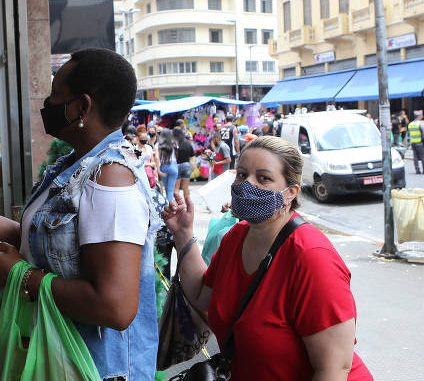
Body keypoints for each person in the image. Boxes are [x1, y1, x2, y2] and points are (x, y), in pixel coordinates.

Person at [0, 48, 162, 380]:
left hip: (97, 369)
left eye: (56, 96)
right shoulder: (75, 166)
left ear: (82, 106)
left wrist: (21, 276)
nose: (47, 105)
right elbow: (31, 238)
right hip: (61, 359)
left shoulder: (109, 177)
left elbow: (115, 306)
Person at [161, 136, 373, 380]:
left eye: (263, 178)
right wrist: (182, 234)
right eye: (242, 174)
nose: (246, 184)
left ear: (290, 193)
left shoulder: (312, 257)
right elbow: (201, 297)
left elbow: (335, 368)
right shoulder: (235, 237)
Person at [172, 126, 195, 203]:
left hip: (176, 166)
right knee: (185, 187)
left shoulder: (173, 143)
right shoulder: (188, 143)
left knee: (176, 188)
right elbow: (192, 156)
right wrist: (193, 165)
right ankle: (188, 203)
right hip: (186, 165)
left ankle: (177, 204)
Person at [157, 128, 178, 200]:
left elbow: (157, 157)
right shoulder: (174, 143)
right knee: (171, 190)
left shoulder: (158, 144)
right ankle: (171, 206)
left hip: (164, 166)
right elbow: (177, 154)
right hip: (174, 165)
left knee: (166, 189)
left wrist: (158, 170)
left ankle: (170, 207)